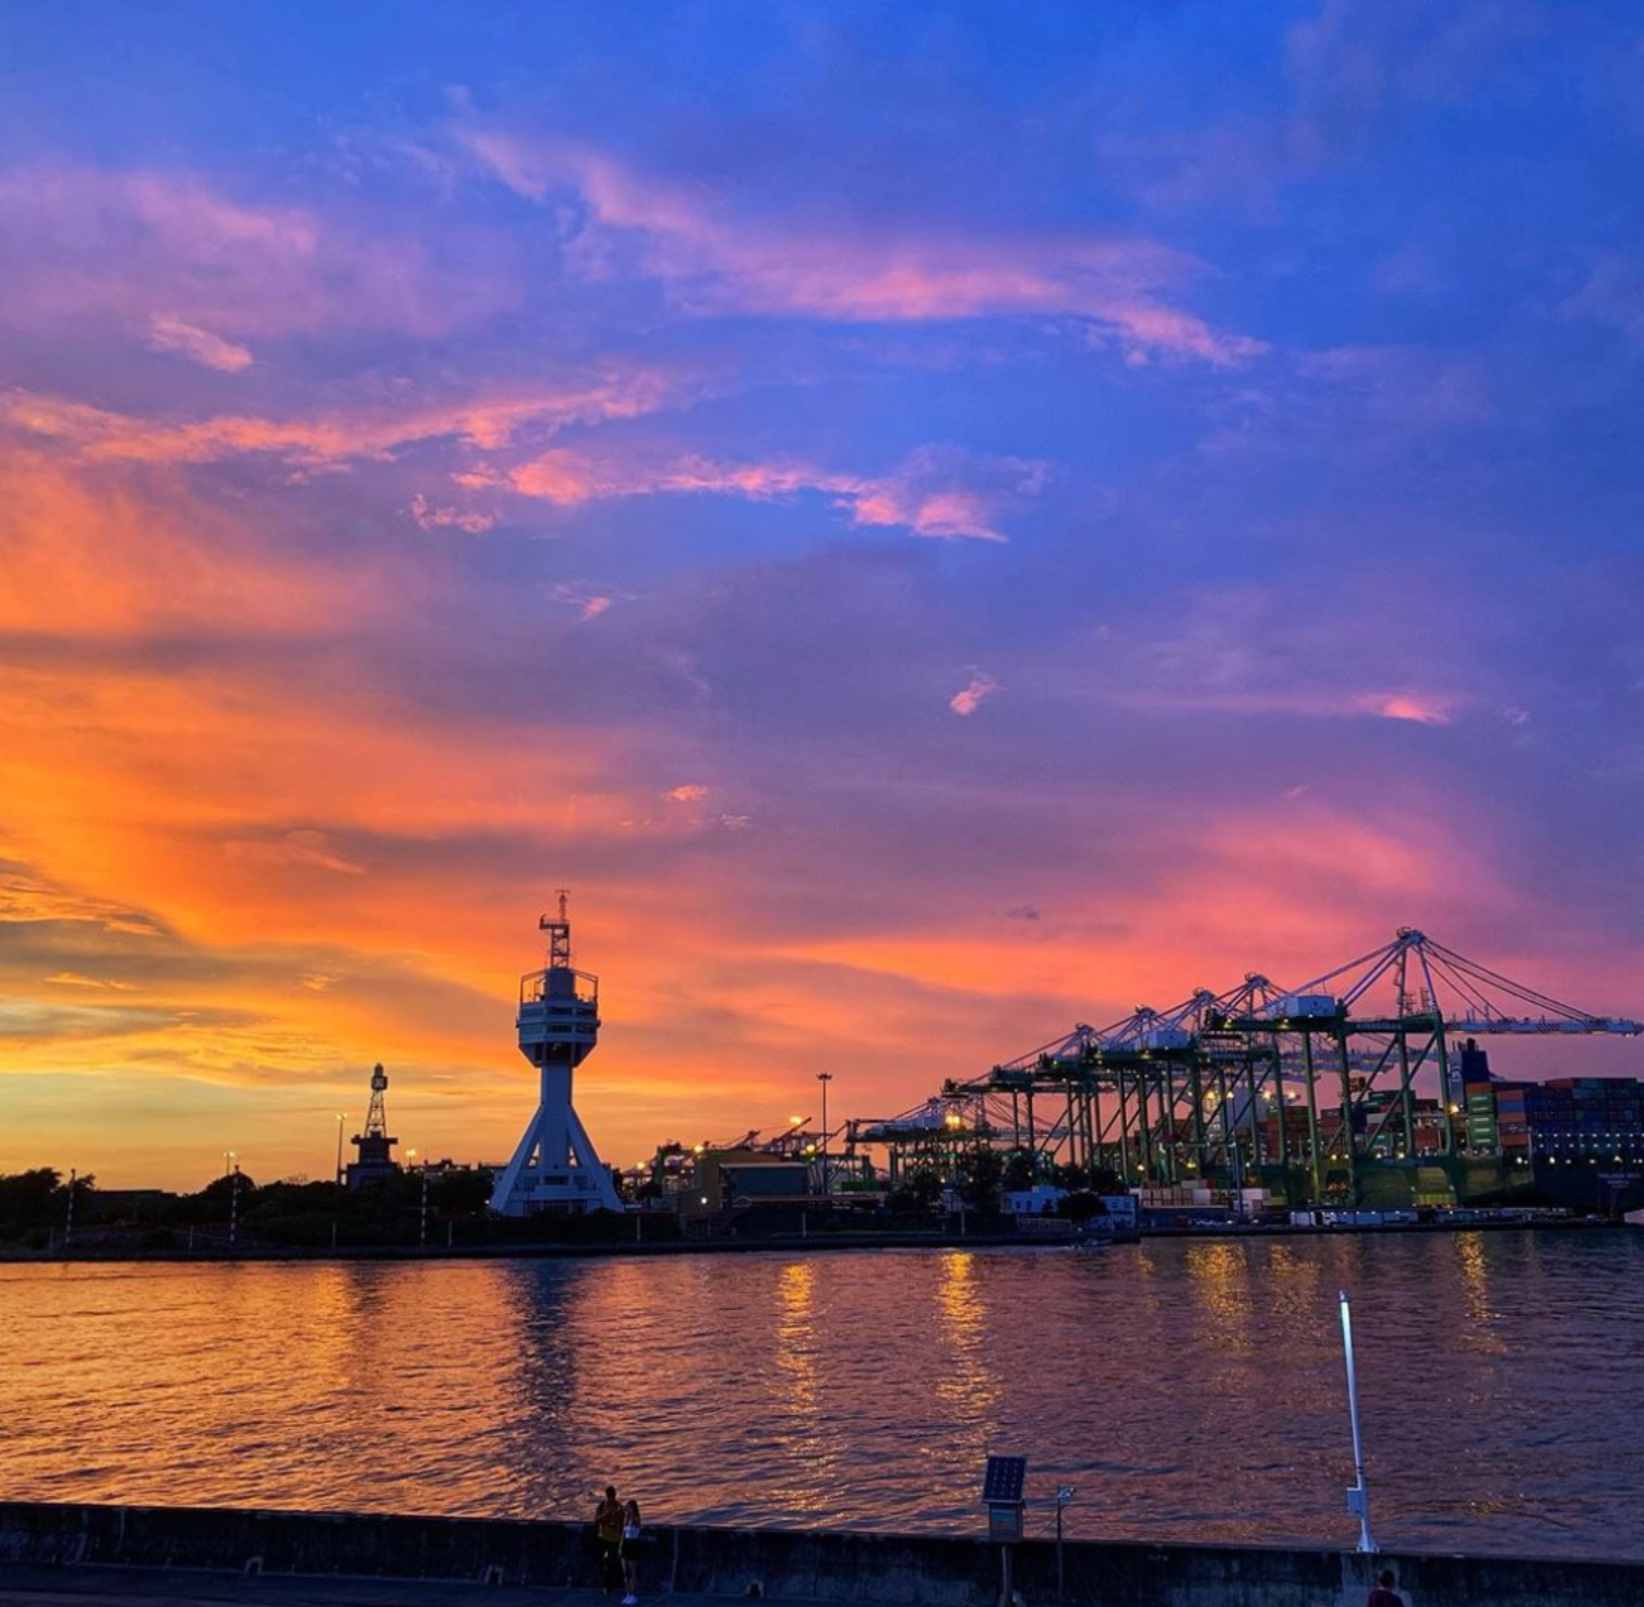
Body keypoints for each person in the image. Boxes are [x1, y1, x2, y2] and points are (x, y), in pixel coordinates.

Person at [594, 1486, 624, 1595]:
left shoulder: (619, 1507)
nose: (612, 1497)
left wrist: (616, 1517)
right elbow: (596, 1520)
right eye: (610, 1496)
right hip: (603, 1538)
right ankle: (604, 1584)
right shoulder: (602, 1506)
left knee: (613, 1562)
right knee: (604, 1562)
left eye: (613, 1495)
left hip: (615, 1539)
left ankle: (609, 1585)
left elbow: (622, 1522)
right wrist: (606, 1515)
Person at [619, 1498, 643, 1606]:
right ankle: (628, 1593)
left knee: (632, 1572)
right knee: (626, 1572)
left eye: (630, 1507)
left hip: (633, 1544)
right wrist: (620, 1546)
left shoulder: (636, 1518)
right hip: (626, 1544)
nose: (627, 1509)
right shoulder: (626, 1519)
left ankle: (634, 1595)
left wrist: (630, 1513)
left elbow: (638, 1525)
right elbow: (623, 1535)